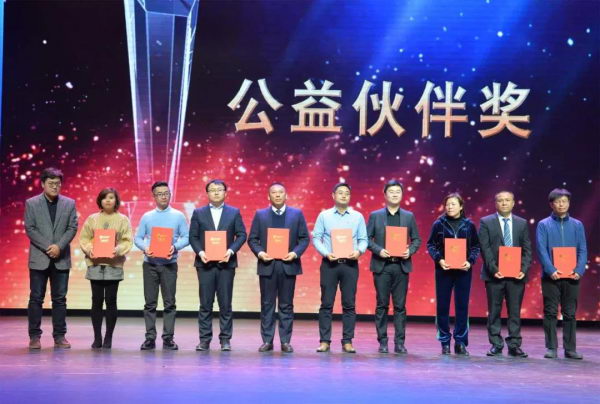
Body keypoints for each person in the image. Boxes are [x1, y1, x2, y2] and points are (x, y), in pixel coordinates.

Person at [248, 182, 309, 353]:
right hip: (267, 265)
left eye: (280, 192)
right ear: (269, 196)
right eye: (274, 192)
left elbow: (304, 238)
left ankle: (285, 341)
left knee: (286, 304)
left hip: (288, 265)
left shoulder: (296, 214)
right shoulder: (260, 215)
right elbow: (252, 239)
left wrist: (295, 254)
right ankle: (267, 340)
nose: (277, 195)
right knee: (267, 304)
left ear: (286, 195)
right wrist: (260, 253)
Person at [189, 179, 247, 351]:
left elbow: (242, 235)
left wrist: (231, 251)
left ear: (225, 193)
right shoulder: (198, 212)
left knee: (225, 303)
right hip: (205, 264)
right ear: (207, 193)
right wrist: (201, 252)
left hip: (226, 264)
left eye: (219, 189)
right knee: (205, 304)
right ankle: (204, 340)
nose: (216, 192)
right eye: (212, 190)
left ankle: (225, 340)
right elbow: (193, 237)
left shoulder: (234, 212)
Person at [24, 167, 78, 349]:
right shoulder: (32, 203)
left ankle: (60, 336)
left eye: (58, 183)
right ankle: (34, 336)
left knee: (60, 299)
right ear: (43, 184)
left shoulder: (69, 203)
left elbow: (72, 227)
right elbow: (30, 228)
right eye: (51, 183)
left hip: (61, 258)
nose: (55, 186)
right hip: (39, 258)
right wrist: (49, 247)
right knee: (36, 298)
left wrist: (59, 247)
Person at [366, 179, 421, 354]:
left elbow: (417, 239)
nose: (395, 194)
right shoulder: (375, 215)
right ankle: (382, 342)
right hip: (382, 266)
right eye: (391, 191)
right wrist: (379, 250)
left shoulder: (408, 216)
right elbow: (366, 239)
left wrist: (410, 251)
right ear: (385, 195)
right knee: (382, 305)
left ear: (402, 195)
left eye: (398, 191)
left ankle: (399, 343)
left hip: (401, 266)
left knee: (400, 306)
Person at [312, 182, 367, 354]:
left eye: (347, 193)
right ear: (333, 195)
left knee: (349, 304)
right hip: (330, 264)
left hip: (350, 265)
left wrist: (359, 251)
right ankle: (324, 341)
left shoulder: (357, 217)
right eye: (340, 192)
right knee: (326, 304)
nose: (344, 195)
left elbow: (363, 239)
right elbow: (316, 238)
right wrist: (326, 253)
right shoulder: (324, 216)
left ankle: (347, 341)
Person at [134, 181, 189, 350]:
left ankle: (168, 339)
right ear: (154, 196)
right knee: (150, 304)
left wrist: (175, 247)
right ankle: (150, 338)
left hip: (169, 265)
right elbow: (138, 238)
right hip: (150, 265)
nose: (163, 196)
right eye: (159, 194)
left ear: (170, 195)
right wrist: (145, 248)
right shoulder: (147, 216)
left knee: (169, 303)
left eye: (166, 193)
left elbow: (186, 237)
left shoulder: (178, 216)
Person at [478, 191, 531, 358]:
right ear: (496, 204)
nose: (504, 203)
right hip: (494, 275)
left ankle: (514, 345)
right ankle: (496, 343)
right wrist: (494, 269)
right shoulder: (486, 222)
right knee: (494, 311)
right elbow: (485, 248)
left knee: (514, 311)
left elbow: (527, 249)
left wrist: (523, 269)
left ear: (513, 203)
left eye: (507, 200)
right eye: (500, 200)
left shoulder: (522, 223)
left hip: (516, 276)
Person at [536, 188, 587, 360]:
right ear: (551, 204)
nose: (561, 204)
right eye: (557, 201)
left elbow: (582, 249)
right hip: (551, 276)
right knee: (550, 312)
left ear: (569, 203)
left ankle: (570, 348)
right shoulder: (544, 224)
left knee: (570, 313)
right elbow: (541, 249)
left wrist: (579, 270)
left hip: (572, 276)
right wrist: (551, 270)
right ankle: (551, 347)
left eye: (564, 201)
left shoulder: (577, 225)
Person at [426, 192, 480, 356]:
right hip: (443, 270)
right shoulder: (439, 224)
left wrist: (470, 261)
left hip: (463, 271)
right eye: (447, 204)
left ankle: (460, 342)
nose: (450, 207)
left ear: (461, 207)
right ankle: (444, 342)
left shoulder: (469, 225)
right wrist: (439, 259)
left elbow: (476, 247)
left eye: (453, 204)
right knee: (442, 306)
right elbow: (431, 245)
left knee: (462, 306)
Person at [79, 188, 133, 349]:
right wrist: (89, 249)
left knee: (111, 301)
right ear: (100, 201)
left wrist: (118, 249)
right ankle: (97, 337)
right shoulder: (92, 219)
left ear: (116, 201)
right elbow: (84, 238)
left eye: (111, 197)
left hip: (113, 265)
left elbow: (127, 240)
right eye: (104, 198)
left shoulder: (123, 220)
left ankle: (108, 337)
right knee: (96, 301)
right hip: (95, 264)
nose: (108, 200)